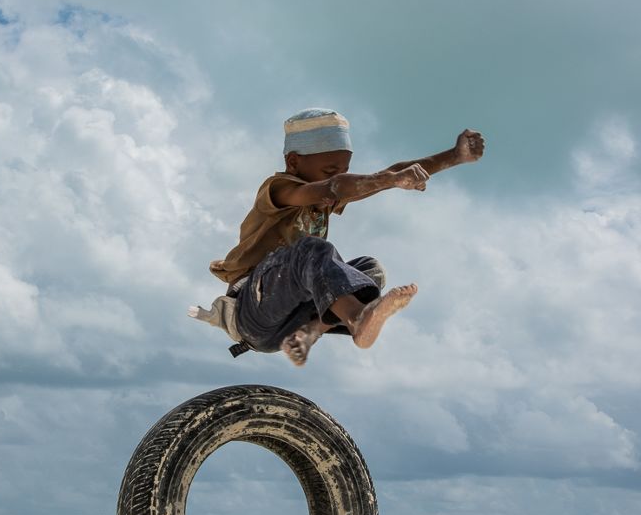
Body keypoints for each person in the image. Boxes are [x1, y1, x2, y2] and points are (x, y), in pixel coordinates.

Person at [192, 108, 485, 366]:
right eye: (331, 170)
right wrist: (387, 180)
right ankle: (356, 318)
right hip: (253, 310)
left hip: (287, 322)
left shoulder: (327, 194)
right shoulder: (279, 188)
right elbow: (332, 188)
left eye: (345, 169)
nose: (340, 176)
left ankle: (309, 333)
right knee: (312, 250)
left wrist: (455, 156)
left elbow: (387, 173)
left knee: (367, 270)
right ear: (294, 162)